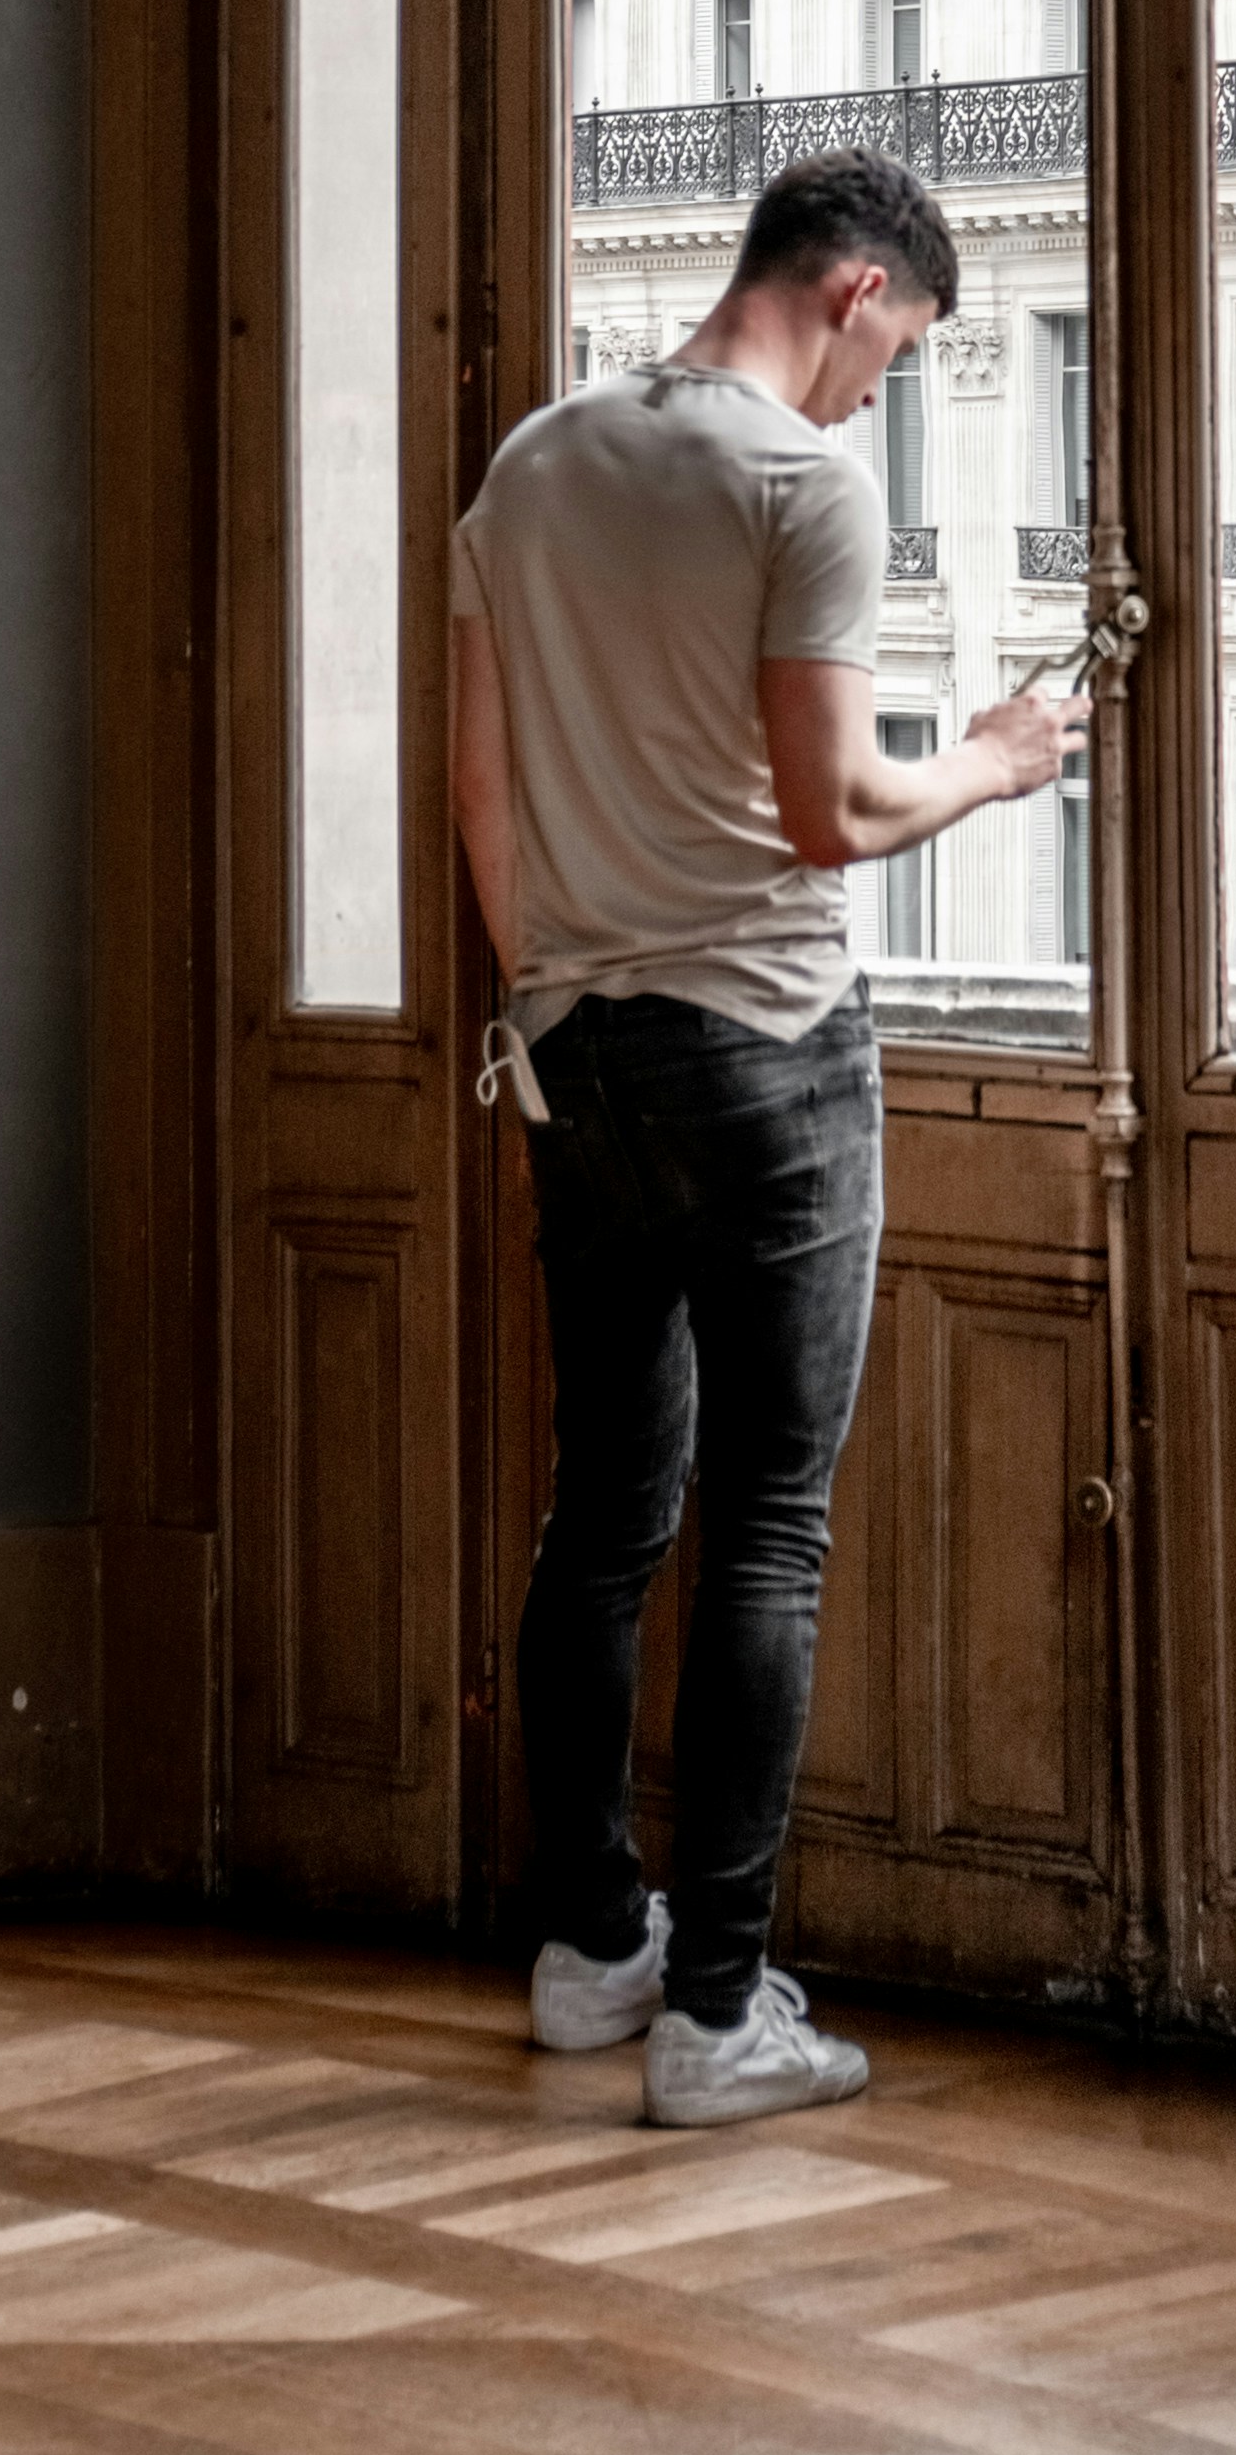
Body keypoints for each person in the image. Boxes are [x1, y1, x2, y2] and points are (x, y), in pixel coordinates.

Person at [448, 144, 1067, 2129]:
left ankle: (584, 1954)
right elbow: (828, 814)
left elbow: (480, 791)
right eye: (894, 356)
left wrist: (549, 997)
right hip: (773, 1049)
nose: (878, 395)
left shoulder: (531, 465)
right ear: (858, 288)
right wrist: (990, 761)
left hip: (576, 1047)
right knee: (766, 1525)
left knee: (603, 1510)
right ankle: (717, 2011)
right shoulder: (799, 486)